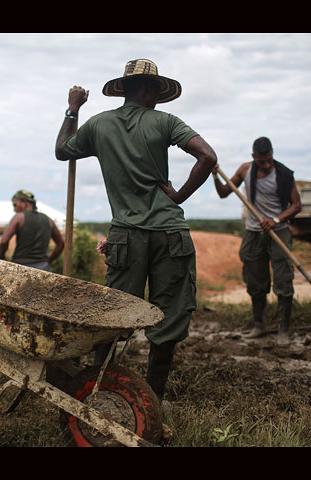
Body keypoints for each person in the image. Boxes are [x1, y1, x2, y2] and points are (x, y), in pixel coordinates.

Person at [54, 59, 217, 405]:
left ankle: (102, 392)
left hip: (126, 235)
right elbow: (207, 156)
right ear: (146, 90)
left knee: (112, 316)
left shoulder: (98, 125)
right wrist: (178, 195)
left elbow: (61, 151)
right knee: (169, 317)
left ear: (124, 90)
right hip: (169, 233)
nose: (158, 97)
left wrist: (72, 109)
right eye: (156, 91)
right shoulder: (166, 122)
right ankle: (154, 397)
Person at [211, 137, 301, 345]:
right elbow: (224, 193)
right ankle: (259, 326)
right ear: (254, 157)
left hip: (279, 232)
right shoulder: (245, 170)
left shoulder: (284, 174)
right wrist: (215, 175)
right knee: (255, 281)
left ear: (272, 154)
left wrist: (276, 220)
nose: (267, 164)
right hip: (253, 233)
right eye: (262, 161)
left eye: (269, 159)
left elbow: (296, 205)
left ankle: (283, 330)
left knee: (283, 280)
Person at [0, 190, 64, 271]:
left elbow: (4, 241)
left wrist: (1, 256)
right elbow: (61, 243)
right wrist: (49, 260)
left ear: (24, 202)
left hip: (21, 267)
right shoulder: (48, 219)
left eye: (15, 205)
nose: (14, 209)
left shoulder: (19, 217)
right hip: (43, 267)